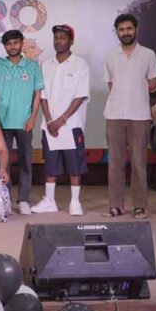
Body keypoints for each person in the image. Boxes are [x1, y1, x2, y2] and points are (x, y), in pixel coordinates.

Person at [103, 13, 156, 220]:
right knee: (115, 163)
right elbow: (110, 85)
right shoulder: (110, 56)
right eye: (121, 30)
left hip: (140, 115)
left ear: (136, 29)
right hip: (114, 114)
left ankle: (139, 206)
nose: (125, 33)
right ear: (117, 32)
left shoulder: (148, 55)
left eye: (129, 28)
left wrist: (141, 87)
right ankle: (116, 205)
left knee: (138, 163)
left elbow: (154, 83)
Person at [32, 25, 90, 216]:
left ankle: (75, 202)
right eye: (56, 37)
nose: (58, 41)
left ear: (71, 41)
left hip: (71, 125)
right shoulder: (46, 64)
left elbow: (80, 95)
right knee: (51, 165)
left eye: (63, 38)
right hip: (50, 126)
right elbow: (42, 95)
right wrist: (50, 120)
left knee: (75, 165)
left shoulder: (80, 65)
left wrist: (61, 119)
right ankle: (50, 201)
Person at [0, 29, 43, 215]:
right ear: (5, 46)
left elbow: (37, 94)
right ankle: (5, 198)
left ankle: (24, 200)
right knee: (4, 163)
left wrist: (33, 118)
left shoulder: (32, 66)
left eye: (15, 43)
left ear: (22, 44)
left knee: (25, 161)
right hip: (2, 123)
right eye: (9, 44)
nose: (12, 46)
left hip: (24, 123)